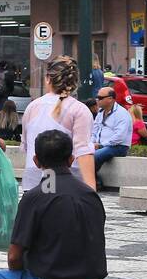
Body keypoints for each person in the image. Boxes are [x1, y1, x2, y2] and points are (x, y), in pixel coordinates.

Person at [0, 130, 106, 279]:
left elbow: (14, 256)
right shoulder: (89, 195)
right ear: (71, 159)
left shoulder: (36, 196)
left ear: (36, 161)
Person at [19, 56, 95, 193]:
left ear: (48, 78)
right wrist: (91, 193)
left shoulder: (32, 107)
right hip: (68, 184)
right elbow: (83, 153)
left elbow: (26, 147)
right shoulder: (79, 110)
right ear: (75, 81)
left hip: (34, 183)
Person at [91, 85, 133, 171]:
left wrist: (101, 145)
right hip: (101, 146)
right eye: (96, 97)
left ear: (110, 99)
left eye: (100, 98)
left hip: (118, 147)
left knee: (96, 156)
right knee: (82, 153)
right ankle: (92, 180)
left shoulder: (122, 114)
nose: (97, 100)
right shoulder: (100, 112)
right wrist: (92, 143)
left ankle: (93, 180)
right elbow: (94, 131)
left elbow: (119, 137)